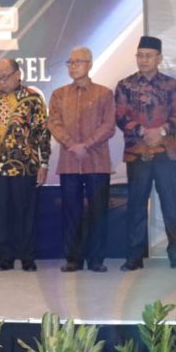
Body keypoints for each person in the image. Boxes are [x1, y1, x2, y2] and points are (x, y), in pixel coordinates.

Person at [114, 36, 176, 271]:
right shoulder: (125, 85)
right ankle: (134, 256)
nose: (143, 60)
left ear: (159, 58)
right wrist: (142, 131)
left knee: (171, 204)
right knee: (136, 205)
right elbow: (120, 116)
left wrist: (162, 131)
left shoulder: (171, 85)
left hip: (166, 153)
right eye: (140, 55)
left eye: (148, 56)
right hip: (137, 154)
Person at [0, 58, 51, 272]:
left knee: (26, 213)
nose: (1, 81)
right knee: (1, 213)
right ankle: (5, 257)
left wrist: (44, 163)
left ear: (18, 74)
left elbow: (43, 133)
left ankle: (27, 256)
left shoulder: (33, 98)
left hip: (26, 166)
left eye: (5, 76)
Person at [48, 47, 115, 273]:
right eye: (70, 62)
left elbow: (108, 126)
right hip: (69, 162)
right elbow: (54, 124)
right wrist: (72, 145)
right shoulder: (58, 94)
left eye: (79, 61)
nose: (74, 66)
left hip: (97, 161)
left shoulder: (104, 93)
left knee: (98, 212)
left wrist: (86, 145)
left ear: (90, 64)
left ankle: (96, 259)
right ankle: (73, 259)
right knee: (71, 212)